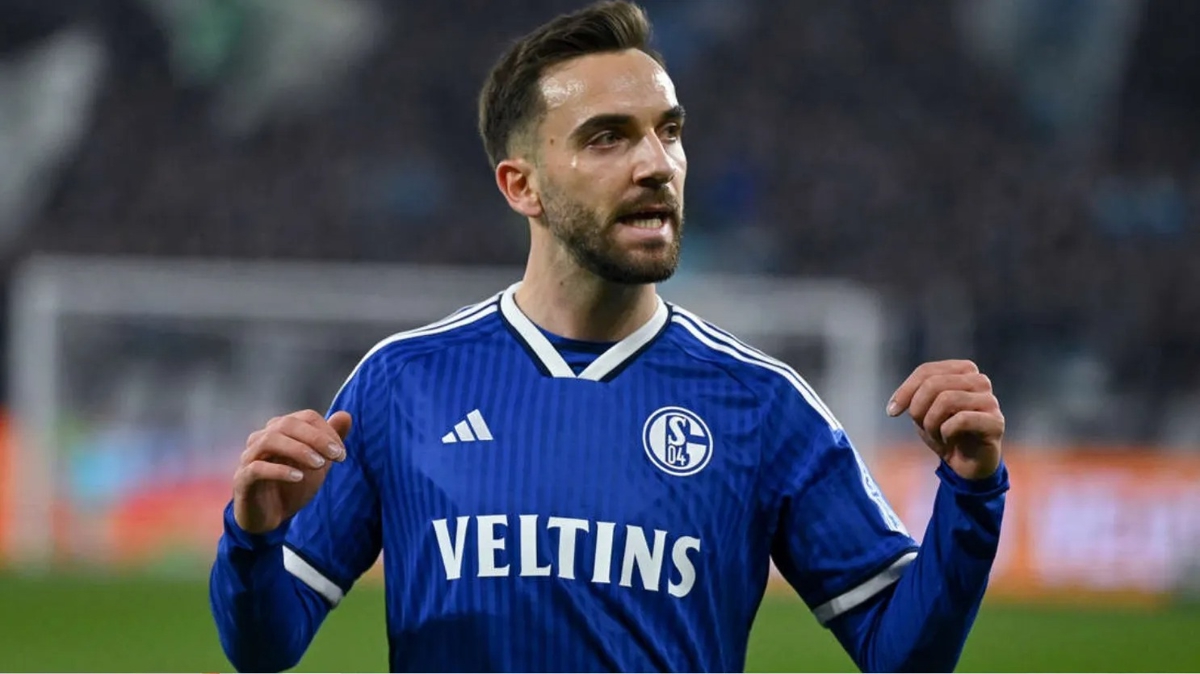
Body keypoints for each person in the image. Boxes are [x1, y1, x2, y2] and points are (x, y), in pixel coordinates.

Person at [209, 2, 1008, 671]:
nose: (656, 163)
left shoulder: (763, 406)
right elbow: (264, 648)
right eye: (608, 137)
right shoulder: (402, 385)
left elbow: (901, 653)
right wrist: (254, 538)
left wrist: (971, 493)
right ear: (521, 185)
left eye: (669, 131)